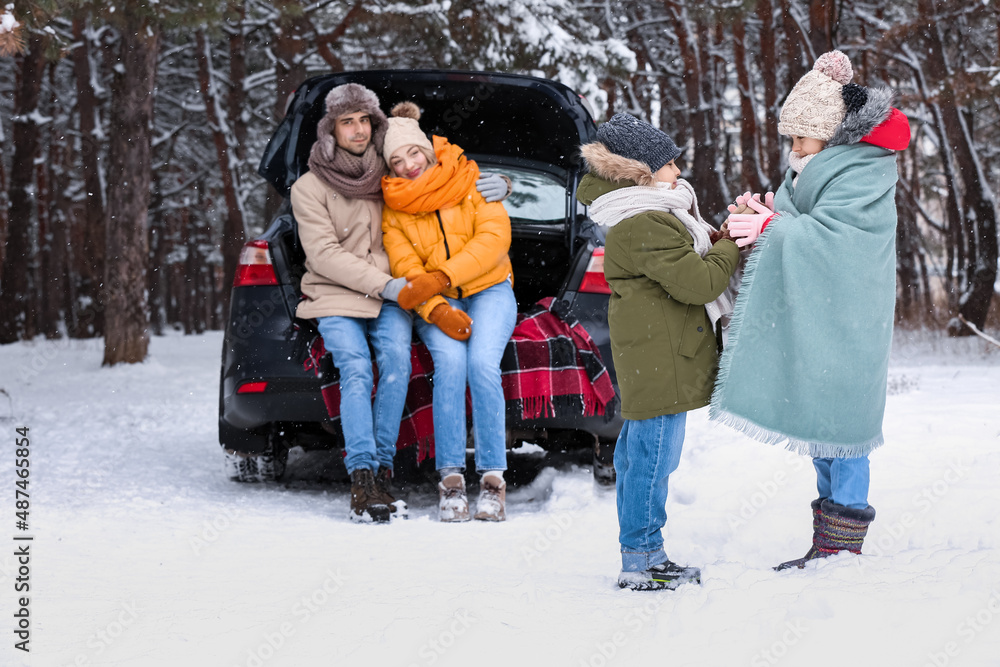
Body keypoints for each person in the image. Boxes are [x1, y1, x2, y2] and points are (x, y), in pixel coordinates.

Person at [711, 50, 911, 569]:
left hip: (850, 317)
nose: (794, 148)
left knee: (845, 426)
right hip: (821, 316)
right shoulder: (808, 168)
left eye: (801, 138)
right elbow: (796, 219)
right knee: (823, 424)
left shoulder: (865, 170)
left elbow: (840, 240)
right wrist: (761, 213)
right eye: (792, 139)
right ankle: (829, 541)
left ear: (831, 133)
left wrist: (773, 228)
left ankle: (843, 542)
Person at [291, 84, 509, 524]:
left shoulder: (405, 182)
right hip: (352, 292)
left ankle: (425, 473)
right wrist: (420, 299)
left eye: (363, 120)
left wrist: (505, 183)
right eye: (345, 121)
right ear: (330, 129)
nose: (408, 167)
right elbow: (340, 258)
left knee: (412, 365)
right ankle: (375, 475)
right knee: (360, 366)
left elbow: (487, 232)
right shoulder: (334, 189)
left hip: (434, 290)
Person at [576, 113, 743, 590]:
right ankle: (642, 559)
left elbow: (682, 264)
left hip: (656, 352)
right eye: (669, 166)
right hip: (659, 357)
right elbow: (702, 281)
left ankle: (645, 552)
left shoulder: (648, 215)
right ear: (641, 174)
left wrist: (711, 241)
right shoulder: (643, 221)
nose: (678, 173)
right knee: (651, 462)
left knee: (640, 457)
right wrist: (730, 244)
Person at [380, 102, 516, 523]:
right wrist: (436, 307)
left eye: (413, 154)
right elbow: (406, 269)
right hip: (439, 302)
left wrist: (442, 276)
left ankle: (493, 481)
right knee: (451, 365)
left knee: (482, 365)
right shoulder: (394, 207)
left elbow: (494, 239)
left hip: (491, 288)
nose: (408, 166)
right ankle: (451, 480)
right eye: (397, 161)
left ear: (428, 149)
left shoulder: (470, 179)